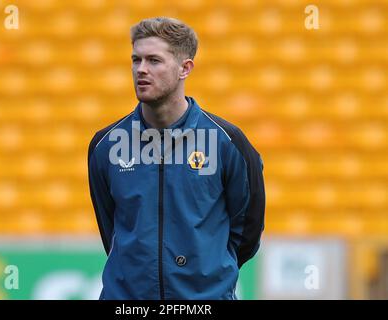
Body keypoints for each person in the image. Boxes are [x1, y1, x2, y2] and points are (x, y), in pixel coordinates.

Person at [88, 17, 265, 300]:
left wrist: (207, 273)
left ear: (185, 68)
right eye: (136, 60)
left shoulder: (227, 143)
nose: (141, 70)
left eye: (154, 61)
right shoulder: (105, 145)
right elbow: (111, 229)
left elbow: (247, 232)